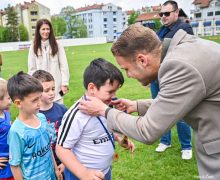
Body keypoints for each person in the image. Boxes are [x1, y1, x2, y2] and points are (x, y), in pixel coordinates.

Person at [78, 24, 220, 178]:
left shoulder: (178, 66)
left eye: (126, 69)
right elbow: (176, 102)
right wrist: (136, 106)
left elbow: (147, 131)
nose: (129, 75)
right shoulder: (184, 52)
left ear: (142, 60)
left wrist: (104, 111)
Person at [56, 58, 134, 180]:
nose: (114, 96)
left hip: (104, 172)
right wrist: (84, 173)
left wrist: (118, 138)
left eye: (116, 91)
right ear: (92, 88)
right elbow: (61, 148)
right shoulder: (77, 115)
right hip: (81, 175)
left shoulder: (106, 106)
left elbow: (103, 129)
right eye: (110, 91)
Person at [151, 0, 193, 158]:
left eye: (167, 13)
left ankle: (186, 146)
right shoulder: (161, 30)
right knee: (159, 110)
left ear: (177, 12)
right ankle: (165, 141)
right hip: (157, 78)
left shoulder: (184, 28)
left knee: (180, 112)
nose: (163, 16)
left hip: (175, 78)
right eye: (161, 14)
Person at [7, 72, 62, 180]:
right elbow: (15, 165)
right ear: (18, 103)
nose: (39, 103)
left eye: (40, 98)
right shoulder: (16, 132)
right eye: (34, 100)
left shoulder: (41, 117)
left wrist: (55, 169)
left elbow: (48, 147)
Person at [32, 70, 68, 173]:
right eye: (46, 90)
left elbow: (71, 137)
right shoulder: (32, 115)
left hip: (64, 159)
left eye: (53, 89)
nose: (52, 93)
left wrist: (65, 162)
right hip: (43, 164)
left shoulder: (62, 110)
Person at [28, 18, 70, 104]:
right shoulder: (33, 47)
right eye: (43, 29)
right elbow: (32, 68)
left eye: (48, 29)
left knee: (59, 110)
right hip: (41, 89)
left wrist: (64, 83)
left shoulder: (57, 45)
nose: (46, 31)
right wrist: (34, 86)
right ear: (38, 31)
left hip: (57, 87)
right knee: (42, 113)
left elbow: (64, 66)